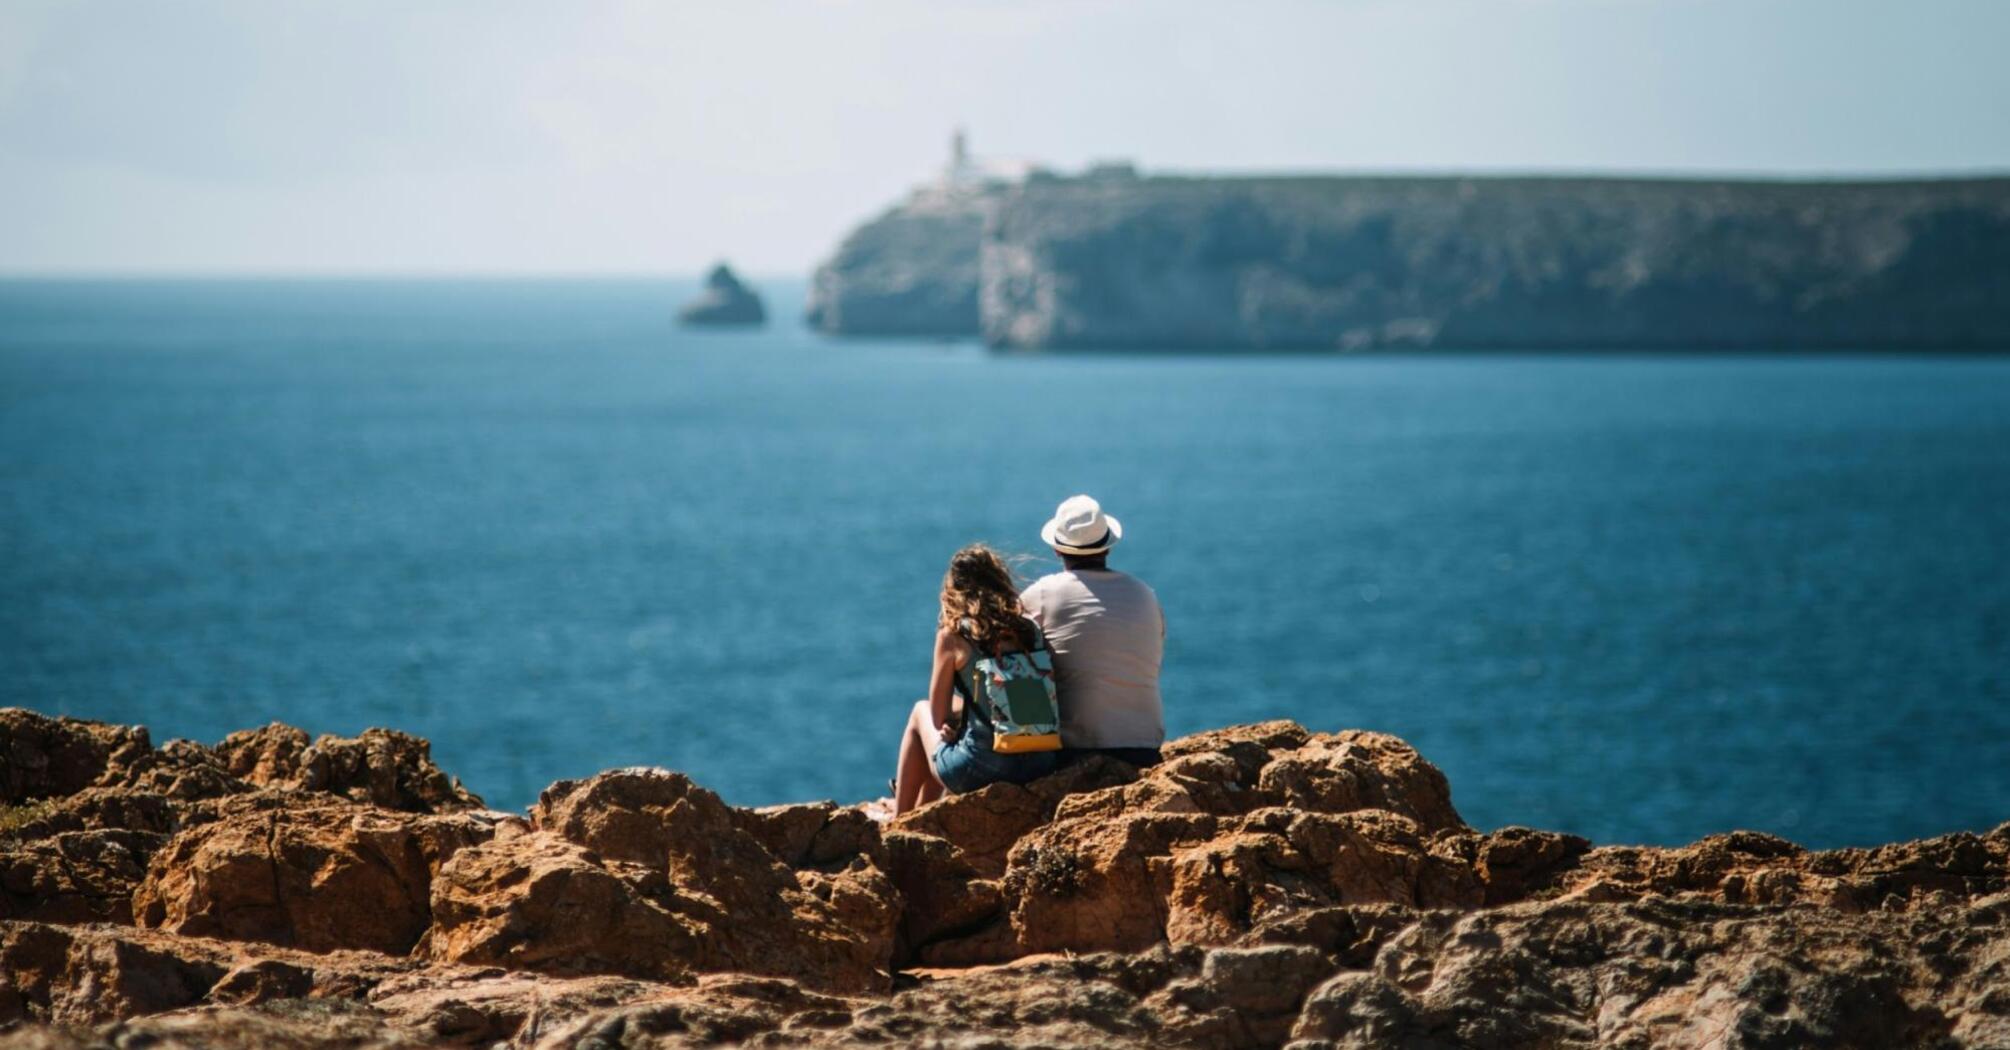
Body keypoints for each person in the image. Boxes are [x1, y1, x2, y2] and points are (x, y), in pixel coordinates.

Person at [892, 544, 1063, 815]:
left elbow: (937, 718)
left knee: (919, 713)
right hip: (1040, 763)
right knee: (953, 728)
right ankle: (921, 815)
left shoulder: (954, 635)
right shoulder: (1030, 629)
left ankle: (900, 818)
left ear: (954, 589)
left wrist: (954, 723)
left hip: (982, 768)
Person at [1021, 495, 1166, 768]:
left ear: (1057, 549)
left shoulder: (1041, 595)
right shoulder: (1144, 594)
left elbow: (1005, 659)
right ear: (1108, 548)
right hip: (1145, 747)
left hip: (1075, 750)